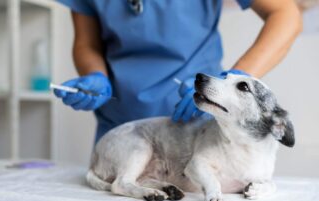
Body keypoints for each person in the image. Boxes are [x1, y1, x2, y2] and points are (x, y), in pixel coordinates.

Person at [54, 0, 302, 143]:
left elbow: (286, 15)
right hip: (121, 127)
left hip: (197, 125)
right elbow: (87, 43)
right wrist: (95, 75)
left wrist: (233, 81)